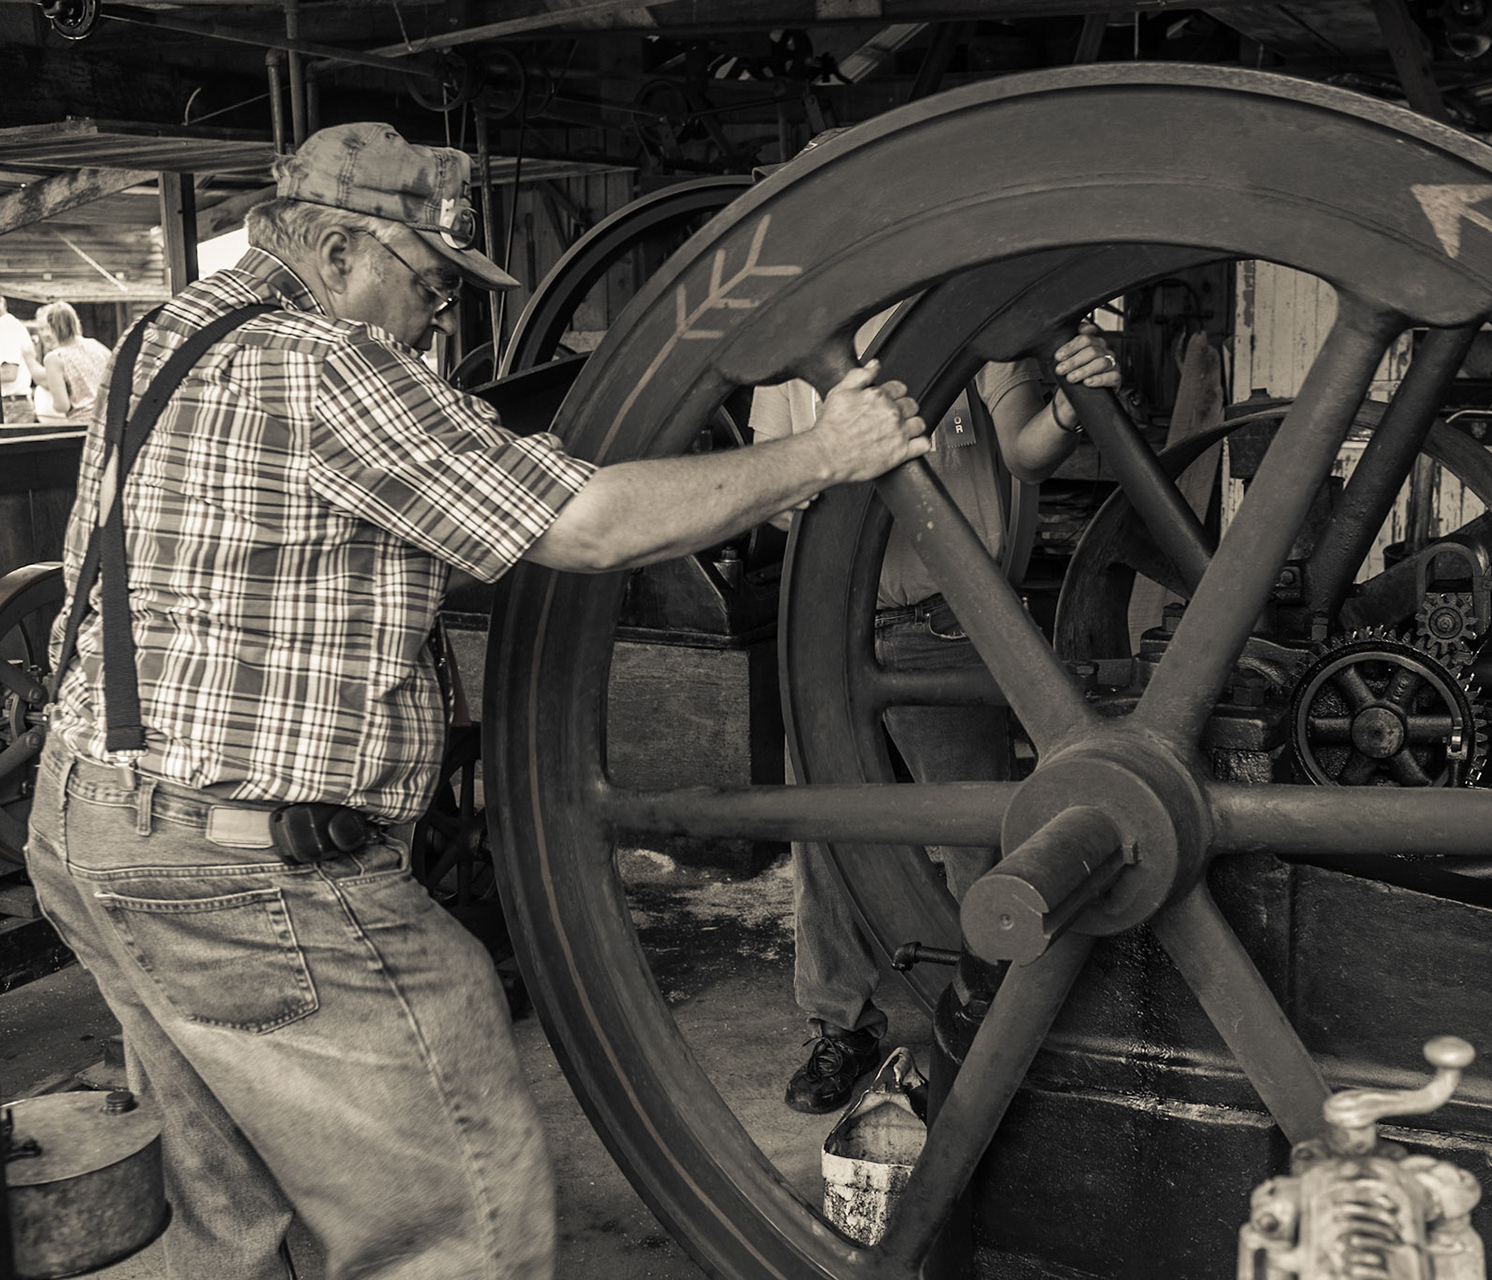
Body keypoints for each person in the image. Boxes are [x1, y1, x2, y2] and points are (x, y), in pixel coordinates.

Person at [25, 121, 927, 1280]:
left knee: (220, 1213)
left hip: (94, 828)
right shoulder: (326, 365)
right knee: (456, 1223)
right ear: (344, 250)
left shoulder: (166, 331)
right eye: (431, 285)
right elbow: (591, 524)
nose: (436, 323)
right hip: (249, 874)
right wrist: (822, 453)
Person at [752, 309, 1122, 1113]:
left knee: (975, 838)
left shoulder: (974, 311)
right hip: (825, 630)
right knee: (824, 836)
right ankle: (838, 1025)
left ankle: (993, 1025)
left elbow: (1026, 452)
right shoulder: (798, 329)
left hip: (945, 625)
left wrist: (1069, 404)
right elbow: (772, 497)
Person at [29, 300, 111, 421]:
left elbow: (62, 405)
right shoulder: (96, 345)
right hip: (110, 419)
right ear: (75, 322)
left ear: (51, 328)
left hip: (83, 424)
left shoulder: (55, 358)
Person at [0, 296, 34, 424]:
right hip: (12, 404)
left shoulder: (6, 326)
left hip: (13, 406)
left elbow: (9, 373)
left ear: (1, 302)